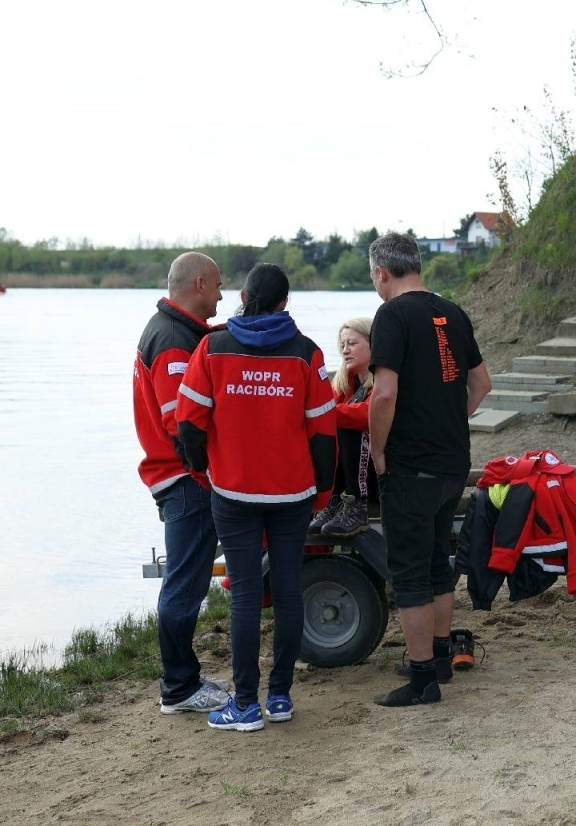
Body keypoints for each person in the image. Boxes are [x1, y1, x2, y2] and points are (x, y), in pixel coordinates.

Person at [175, 263, 337, 731]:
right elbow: (323, 433)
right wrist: (322, 490)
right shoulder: (307, 353)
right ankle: (280, 697)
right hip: (293, 494)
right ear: (285, 302)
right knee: (287, 592)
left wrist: (203, 471)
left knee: (246, 596)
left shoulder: (212, 347)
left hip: (233, 492)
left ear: (243, 297)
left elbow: (188, 424)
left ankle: (245, 704)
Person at [365, 232, 492, 706]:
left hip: (411, 465)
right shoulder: (452, 312)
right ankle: (439, 658)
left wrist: (379, 450)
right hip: (452, 461)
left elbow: (384, 394)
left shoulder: (391, 315)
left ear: (382, 272)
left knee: (410, 573)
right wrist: (450, 418)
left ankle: (422, 681)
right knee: (439, 561)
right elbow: (481, 384)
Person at [132, 251, 230, 716]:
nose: (222, 295)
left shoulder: (176, 330)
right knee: (185, 585)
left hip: (175, 476)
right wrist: (207, 473)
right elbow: (180, 424)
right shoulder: (172, 341)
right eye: (218, 285)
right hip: (184, 479)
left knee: (185, 582)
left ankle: (184, 677)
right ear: (199, 283)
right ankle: (178, 687)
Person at [312, 317, 378, 537]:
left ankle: (356, 504)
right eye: (342, 345)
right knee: (327, 429)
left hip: (382, 474)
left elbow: (369, 416)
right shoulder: (345, 382)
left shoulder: (385, 380)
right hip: (350, 476)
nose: (345, 350)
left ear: (374, 344)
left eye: (352, 343)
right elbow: (325, 415)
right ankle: (332, 498)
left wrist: (321, 412)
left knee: (349, 423)